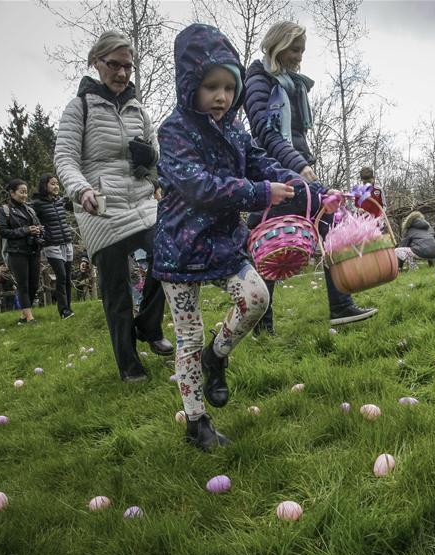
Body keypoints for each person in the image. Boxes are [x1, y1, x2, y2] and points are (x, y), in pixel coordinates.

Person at [153, 23, 340, 451]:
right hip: (180, 248)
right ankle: (196, 422)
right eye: (210, 87)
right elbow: (200, 186)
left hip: (223, 241)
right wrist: (257, 193)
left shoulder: (235, 129)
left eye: (228, 87)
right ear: (190, 86)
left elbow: (260, 162)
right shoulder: (174, 131)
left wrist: (307, 186)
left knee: (256, 297)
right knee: (187, 334)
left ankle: (216, 357)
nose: (221, 96)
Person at [54, 30, 173, 382]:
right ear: (97, 63)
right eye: (114, 65)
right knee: (116, 290)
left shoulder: (139, 110)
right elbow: (64, 157)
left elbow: (157, 163)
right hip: (100, 207)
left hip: (140, 201)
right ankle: (129, 365)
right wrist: (80, 189)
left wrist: (151, 159)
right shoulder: (80, 108)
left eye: (128, 67)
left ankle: (149, 327)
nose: (122, 73)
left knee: (167, 258)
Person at [245, 20, 377, 330]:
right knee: (272, 241)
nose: (299, 56)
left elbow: (293, 132)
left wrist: (303, 161)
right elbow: (265, 133)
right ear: (277, 46)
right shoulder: (258, 82)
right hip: (275, 171)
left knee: (324, 224)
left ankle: (335, 307)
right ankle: (265, 323)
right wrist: (299, 166)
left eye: (302, 50)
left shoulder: (291, 83)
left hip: (296, 165)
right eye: (294, 49)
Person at [0, 179, 44, 325]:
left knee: (34, 284)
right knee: (23, 284)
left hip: (33, 250)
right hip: (16, 252)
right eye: (21, 192)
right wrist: (26, 230)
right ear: (12, 193)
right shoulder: (4, 210)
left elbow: (36, 224)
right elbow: (3, 231)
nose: (25, 195)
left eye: (26, 192)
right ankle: (30, 317)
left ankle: (23, 317)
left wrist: (38, 229)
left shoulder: (29, 209)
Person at [31, 174, 75, 319]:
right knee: (61, 276)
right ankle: (63, 310)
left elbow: (77, 206)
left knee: (68, 278)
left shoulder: (60, 201)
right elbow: (30, 220)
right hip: (52, 245)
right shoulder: (37, 204)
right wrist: (41, 237)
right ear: (45, 186)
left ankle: (69, 308)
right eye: (53, 184)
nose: (56, 186)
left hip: (66, 242)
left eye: (57, 184)